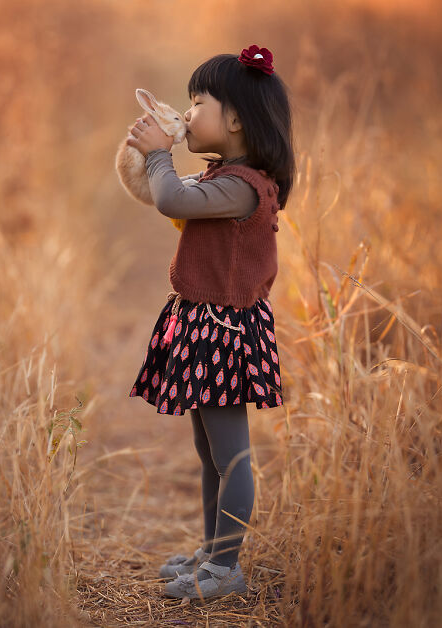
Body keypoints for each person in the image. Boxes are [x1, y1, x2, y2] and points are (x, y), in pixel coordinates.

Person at [124, 46, 295, 601]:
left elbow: (168, 193)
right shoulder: (223, 178)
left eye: (199, 102)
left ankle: (227, 569)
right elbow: (165, 196)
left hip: (223, 334)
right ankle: (213, 552)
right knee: (209, 452)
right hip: (203, 326)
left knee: (232, 454)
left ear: (238, 119)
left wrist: (158, 156)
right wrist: (142, 159)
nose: (189, 113)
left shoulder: (243, 186)